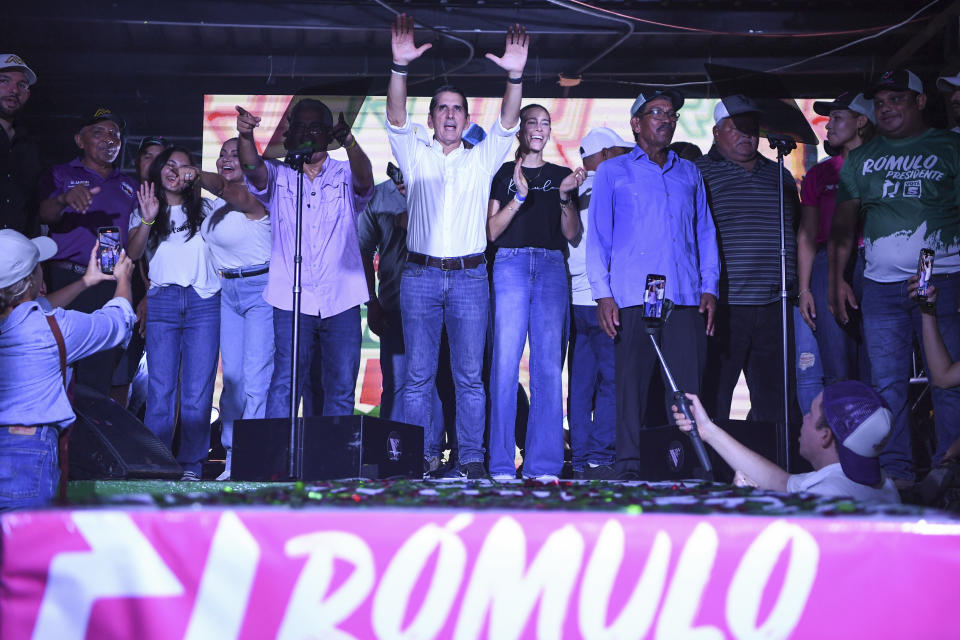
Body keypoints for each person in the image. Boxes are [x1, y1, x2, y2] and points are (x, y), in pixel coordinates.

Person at [385, 14, 528, 478]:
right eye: (442, 109)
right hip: (421, 276)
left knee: (470, 378)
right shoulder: (414, 152)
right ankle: (421, 455)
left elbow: (508, 123)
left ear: (467, 120)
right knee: (417, 379)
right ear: (432, 119)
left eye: (457, 109)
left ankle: (470, 458)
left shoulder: (481, 158)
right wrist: (399, 68)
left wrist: (514, 76)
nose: (449, 115)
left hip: (470, 278)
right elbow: (394, 115)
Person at [830, 69, 960, 485]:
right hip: (881, 286)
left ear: (921, 102)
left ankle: (949, 471)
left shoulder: (951, 146)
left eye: (897, 99)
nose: (886, 108)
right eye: (881, 102)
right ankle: (896, 476)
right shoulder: (862, 158)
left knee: (950, 382)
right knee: (886, 385)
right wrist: (837, 278)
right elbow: (843, 227)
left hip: (946, 279)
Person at [587, 90, 720, 480]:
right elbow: (598, 237)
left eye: (672, 113)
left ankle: (683, 464)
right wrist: (603, 295)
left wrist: (709, 286)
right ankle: (629, 467)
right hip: (636, 293)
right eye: (656, 112)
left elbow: (705, 233)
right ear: (636, 123)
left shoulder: (689, 172)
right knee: (631, 385)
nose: (666, 118)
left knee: (684, 387)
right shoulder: (613, 171)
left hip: (682, 292)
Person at [236, 97, 373, 421]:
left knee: (340, 386)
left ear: (328, 135)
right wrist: (244, 137)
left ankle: (334, 465)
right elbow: (252, 170)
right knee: (286, 382)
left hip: (341, 297)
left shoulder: (344, 172)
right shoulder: (279, 174)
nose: (309, 134)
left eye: (316, 127)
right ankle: (274, 466)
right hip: (291, 299)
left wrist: (350, 142)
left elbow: (365, 182)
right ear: (290, 135)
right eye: (301, 127)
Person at [0, 230, 135, 509]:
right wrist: (123, 278)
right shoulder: (52, 329)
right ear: (30, 281)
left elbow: (34, 309)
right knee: (28, 548)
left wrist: (86, 281)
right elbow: (118, 321)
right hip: (27, 451)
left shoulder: (37, 322)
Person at [486, 103, 583, 481]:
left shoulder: (562, 175)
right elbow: (491, 232)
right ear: (521, 130)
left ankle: (543, 465)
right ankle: (499, 464)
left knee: (547, 368)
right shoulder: (502, 174)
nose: (539, 129)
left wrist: (563, 197)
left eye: (545, 123)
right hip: (509, 264)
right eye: (532, 122)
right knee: (504, 367)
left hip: (550, 266)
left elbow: (572, 233)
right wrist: (520, 197)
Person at [696, 95, 799, 423]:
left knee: (775, 401)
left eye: (752, 128)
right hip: (725, 304)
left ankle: (772, 470)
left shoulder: (780, 174)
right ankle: (712, 469)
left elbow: (795, 229)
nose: (748, 135)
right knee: (715, 396)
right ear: (716, 132)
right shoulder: (698, 172)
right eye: (738, 128)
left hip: (775, 305)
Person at [127, 146, 221, 481]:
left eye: (184, 166)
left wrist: (201, 178)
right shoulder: (145, 207)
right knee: (161, 390)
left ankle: (192, 465)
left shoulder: (207, 207)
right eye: (170, 164)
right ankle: (158, 463)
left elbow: (227, 190)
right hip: (163, 301)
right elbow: (133, 252)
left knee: (197, 391)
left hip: (203, 301)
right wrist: (149, 218)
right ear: (159, 169)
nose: (176, 171)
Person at [36, 108, 138, 397]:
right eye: (99, 133)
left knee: (97, 373)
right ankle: (55, 436)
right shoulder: (60, 174)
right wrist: (65, 198)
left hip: (105, 283)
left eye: (115, 135)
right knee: (57, 365)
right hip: (64, 281)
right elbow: (44, 214)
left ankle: (87, 440)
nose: (109, 139)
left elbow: (135, 242)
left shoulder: (129, 185)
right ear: (80, 140)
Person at [671, 381, 901, 504]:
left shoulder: (824, 498)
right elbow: (779, 481)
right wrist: (708, 430)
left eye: (810, 413)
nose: (804, 418)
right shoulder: (882, 483)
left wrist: (747, 503)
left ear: (826, 435)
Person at [192, 138, 273, 481]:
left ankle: (251, 458)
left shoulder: (258, 197)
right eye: (222, 153)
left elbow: (229, 190)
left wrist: (193, 173)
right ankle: (229, 454)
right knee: (234, 381)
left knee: (256, 378)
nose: (227, 158)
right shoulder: (212, 209)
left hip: (261, 290)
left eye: (234, 154)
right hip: (227, 292)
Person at [796, 92, 875, 411]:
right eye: (828, 119)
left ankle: (879, 454)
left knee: (876, 365)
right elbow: (807, 234)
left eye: (837, 118)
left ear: (861, 121)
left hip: (875, 262)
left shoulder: (883, 166)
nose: (828, 126)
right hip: (827, 265)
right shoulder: (820, 173)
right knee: (836, 367)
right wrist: (804, 289)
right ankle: (843, 455)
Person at [567, 127, 632, 479]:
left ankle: (579, 459)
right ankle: (598, 456)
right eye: (623, 150)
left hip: (574, 299)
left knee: (581, 383)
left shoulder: (571, 187)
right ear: (606, 154)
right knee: (613, 381)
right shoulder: (614, 186)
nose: (628, 157)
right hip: (604, 297)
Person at [0, 54, 42, 237]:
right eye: (4, 81)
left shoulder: (29, 146)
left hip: (17, 255)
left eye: (21, 85)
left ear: (27, 94)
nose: (14, 90)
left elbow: (31, 207)